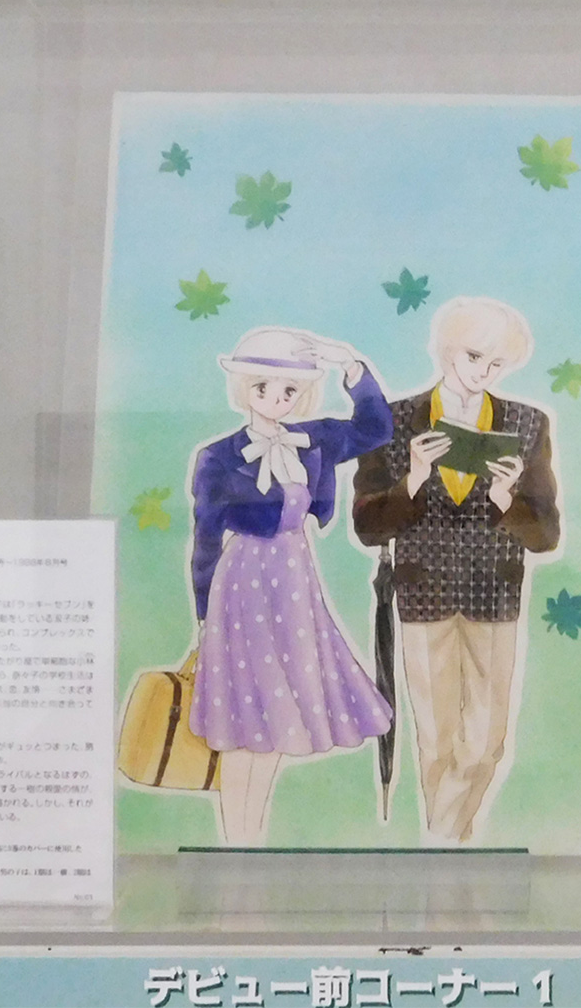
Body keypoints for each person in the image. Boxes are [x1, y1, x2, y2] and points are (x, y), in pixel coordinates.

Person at [352, 297, 561, 843]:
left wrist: (506, 498)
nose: (484, 372)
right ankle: (451, 853)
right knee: (436, 743)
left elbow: (546, 535)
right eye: (474, 356)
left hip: (495, 595)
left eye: (497, 363)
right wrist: (415, 478)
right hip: (422, 595)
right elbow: (368, 527)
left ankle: (438, 842)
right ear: (446, 349)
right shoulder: (393, 422)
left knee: (486, 743)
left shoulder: (526, 424)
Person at [189, 326, 394, 846]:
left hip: (295, 582)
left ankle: (250, 838)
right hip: (243, 585)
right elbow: (205, 537)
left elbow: (375, 429)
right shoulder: (217, 456)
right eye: (263, 388)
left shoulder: (316, 438)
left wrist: (352, 365)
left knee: (277, 715)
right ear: (244, 389)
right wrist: (204, 613)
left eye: (289, 391)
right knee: (245, 718)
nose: (276, 400)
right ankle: (236, 840)